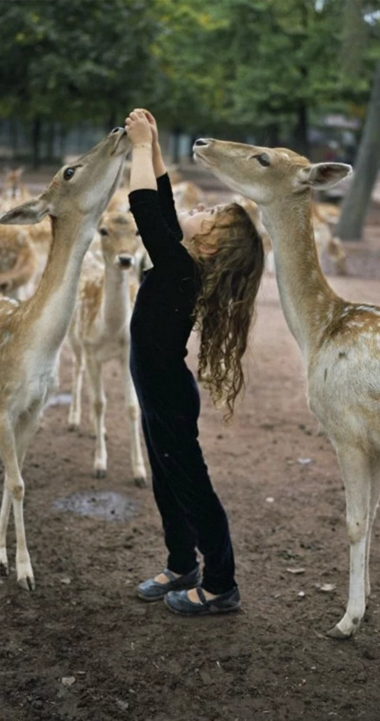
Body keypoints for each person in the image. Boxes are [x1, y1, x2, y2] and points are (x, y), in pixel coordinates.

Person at [124, 108, 264, 615]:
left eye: (207, 215)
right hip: (158, 392)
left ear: (205, 246)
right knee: (167, 481)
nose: (198, 209)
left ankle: (221, 583)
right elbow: (161, 205)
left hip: (167, 394)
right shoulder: (183, 262)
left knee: (191, 485)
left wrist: (139, 149)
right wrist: (156, 148)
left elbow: (144, 211)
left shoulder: (182, 269)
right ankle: (182, 562)